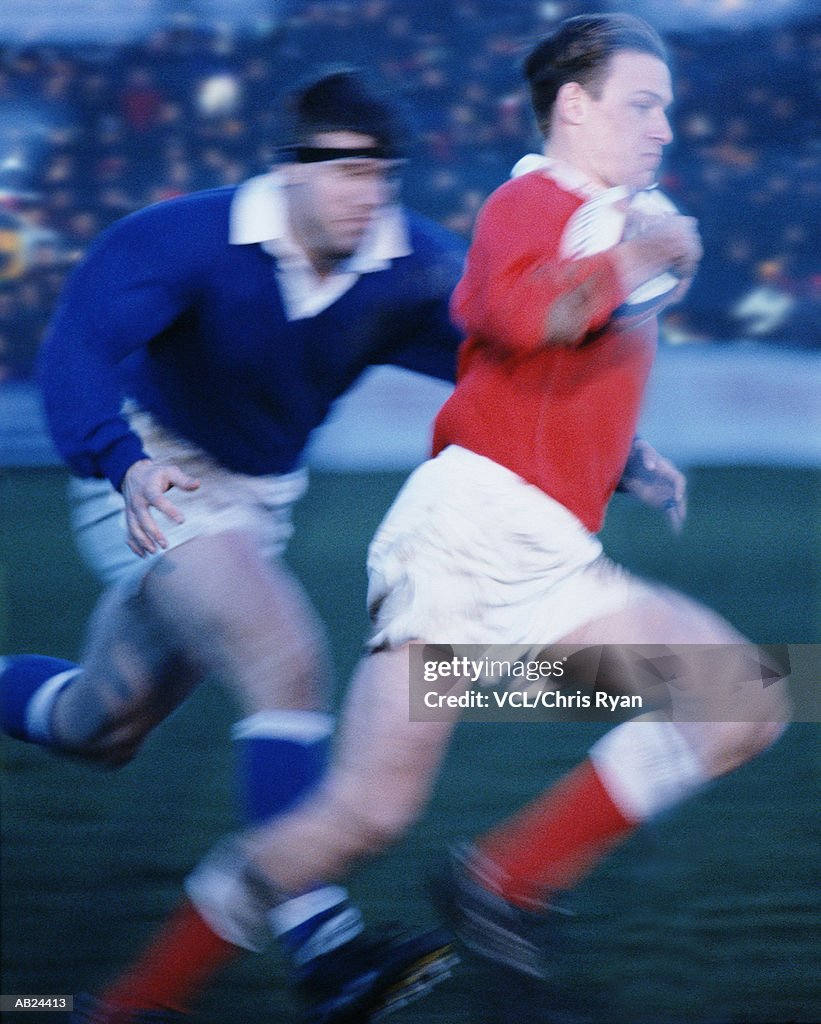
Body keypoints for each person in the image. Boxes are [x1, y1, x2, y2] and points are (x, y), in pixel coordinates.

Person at [49, 14, 790, 1020]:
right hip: (468, 544)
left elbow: (524, 371)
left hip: (547, 560)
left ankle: (500, 884)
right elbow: (507, 315)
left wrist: (618, 456)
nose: (664, 127)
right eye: (642, 104)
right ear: (574, 106)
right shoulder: (531, 200)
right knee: (342, 798)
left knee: (736, 695)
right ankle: (132, 1005)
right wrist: (637, 256)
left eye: (668, 108)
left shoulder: (616, 217)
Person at [0, 69, 466, 1023]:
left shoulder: (404, 260)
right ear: (288, 170)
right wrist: (121, 463)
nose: (365, 193)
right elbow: (77, 351)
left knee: (103, 725)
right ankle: (326, 946)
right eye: (342, 172)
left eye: (382, 174)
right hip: (153, 475)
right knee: (284, 660)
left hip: (257, 503)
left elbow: (487, 357)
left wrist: (611, 439)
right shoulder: (185, 238)